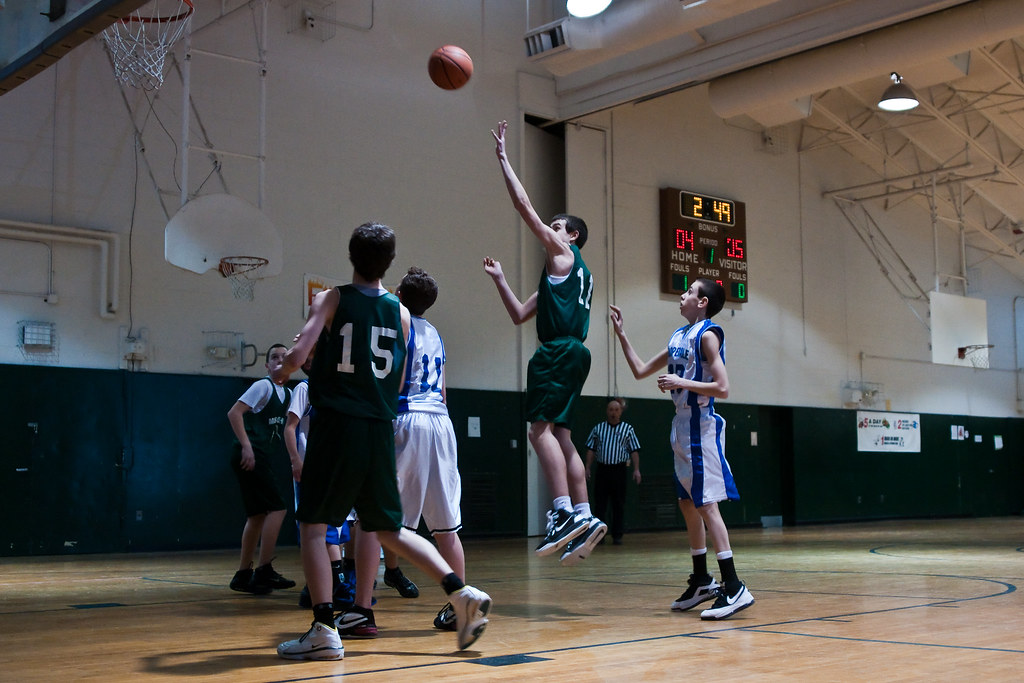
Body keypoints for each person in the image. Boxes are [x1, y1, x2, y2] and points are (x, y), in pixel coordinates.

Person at [275, 222, 491, 661]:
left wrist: (283, 371)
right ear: (388, 263)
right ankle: (460, 592)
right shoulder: (403, 314)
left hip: (339, 425)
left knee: (314, 527)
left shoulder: (330, 298)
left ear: (351, 255)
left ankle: (323, 628)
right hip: (382, 425)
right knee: (388, 528)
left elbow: (298, 356)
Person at [483, 119, 606, 566]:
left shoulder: (564, 252)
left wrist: (503, 159)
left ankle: (561, 514)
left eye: (559, 226)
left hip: (557, 352)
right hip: (575, 352)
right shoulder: (564, 275)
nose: (550, 230)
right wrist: (500, 280)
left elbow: (524, 208)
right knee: (563, 435)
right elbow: (519, 313)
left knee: (538, 431)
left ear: (571, 235)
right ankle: (587, 514)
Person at [609, 278, 754, 620]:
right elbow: (641, 369)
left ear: (703, 302)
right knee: (687, 504)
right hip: (680, 425)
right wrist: (621, 334)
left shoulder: (708, 335)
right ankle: (702, 580)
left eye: (690, 291)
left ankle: (734, 587)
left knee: (707, 506)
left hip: (702, 426)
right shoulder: (678, 337)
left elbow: (723, 387)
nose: (683, 294)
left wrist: (681, 382)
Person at [393, 266, 467, 632]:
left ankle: (357, 600)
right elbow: (442, 389)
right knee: (446, 527)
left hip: (408, 417)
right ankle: (459, 602)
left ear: (400, 296)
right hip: (441, 422)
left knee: (380, 520)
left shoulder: (398, 327)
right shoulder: (436, 334)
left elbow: (395, 376)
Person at [283, 351, 355, 610]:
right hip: (310, 468)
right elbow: (289, 427)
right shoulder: (304, 388)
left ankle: (332, 584)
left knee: (336, 532)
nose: (312, 359)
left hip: (333, 467)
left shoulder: (335, 388)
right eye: (309, 355)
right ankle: (334, 586)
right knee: (320, 532)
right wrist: (295, 460)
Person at [226, 344, 297, 595]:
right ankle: (264, 570)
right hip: (251, 452)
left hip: (259, 454)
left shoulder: (287, 393)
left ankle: (243, 574)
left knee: (256, 515)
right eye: (273, 357)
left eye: (283, 357)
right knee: (278, 508)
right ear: (267, 365)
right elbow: (234, 413)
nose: (279, 360)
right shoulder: (263, 386)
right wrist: (246, 446)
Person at [584, 398, 642, 546]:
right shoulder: (598, 428)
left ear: (621, 412)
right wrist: (587, 467)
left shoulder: (628, 429)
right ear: (606, 411)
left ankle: (617, 535)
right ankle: (599, 536)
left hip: (619, 470)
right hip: (603, 470)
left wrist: (636, 470)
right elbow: (591, 449)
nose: (613, 412)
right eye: (611, 409)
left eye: (616, 410)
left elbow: (634, 451)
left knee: (618, 504)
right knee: (600, 504)